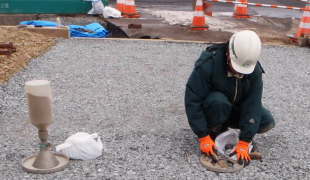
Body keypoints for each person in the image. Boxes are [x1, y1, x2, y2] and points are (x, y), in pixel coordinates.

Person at [184, 30, 275, 164]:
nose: (239, 73)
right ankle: (215, 131)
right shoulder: (209, 63)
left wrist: (245, 141)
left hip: (235, 108)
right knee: (218, 101)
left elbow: (253, 103)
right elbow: (193, 100)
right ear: (229, 54)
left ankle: (232, 132)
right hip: (215, 108)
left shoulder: (253, 70)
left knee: (266, 121)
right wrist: (202, 135)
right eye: (236, 68)